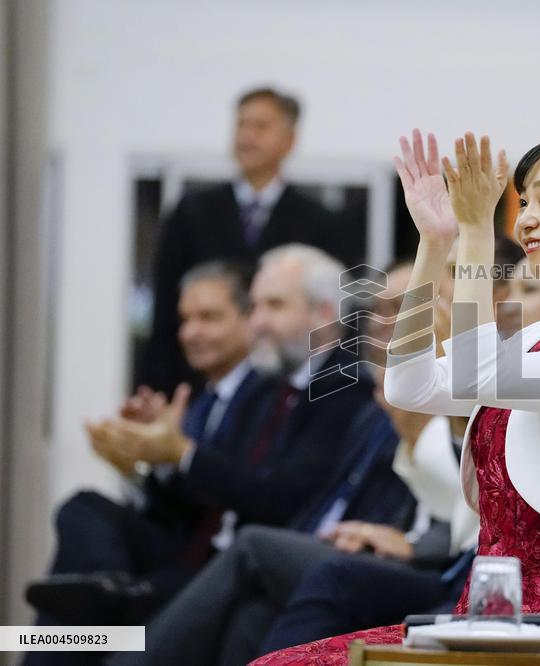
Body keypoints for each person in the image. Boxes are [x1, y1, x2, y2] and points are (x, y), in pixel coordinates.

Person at [253, 127, 540, 664]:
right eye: (525, 202)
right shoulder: (536, 341)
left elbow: (474, 374)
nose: (525, 219)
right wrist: (436, 240)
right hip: (489, 623)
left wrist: (476, 232)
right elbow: (410, 383)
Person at [29, 245, 374, 630]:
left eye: (273, 306)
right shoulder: (275, 386)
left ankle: (109, 603)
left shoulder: (342, 388)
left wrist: (180, 453)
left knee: (78, 626)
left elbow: (279, 496)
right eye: (255, 307)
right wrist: (151, 462)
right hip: (209, 553)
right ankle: (109, 594)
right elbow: (210, 495)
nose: (257, 322)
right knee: (81, 519)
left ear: (324, 313)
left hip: (253, 565)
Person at [25, 262, 260, 634]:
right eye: (185, 319)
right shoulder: (200, 401)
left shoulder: (267, 394)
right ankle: (111, 587)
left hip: (220, 560)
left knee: (74, 607)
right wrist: (142, 463)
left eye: (209, 317)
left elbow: (247, 489)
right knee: (80, 511)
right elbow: (178, 505)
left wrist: (176, 450)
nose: (191, 333)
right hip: (179, 552)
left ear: (250, 319)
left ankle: (109, 595)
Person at [145, 86, 353, 393]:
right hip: (200, 383)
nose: (247, 137)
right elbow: (165, 308)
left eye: (261, 126)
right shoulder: (192, 212)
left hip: (286, 381)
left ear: (289, 140)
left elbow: (336, 306)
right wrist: (158, 385)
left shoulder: (321, 220)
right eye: (241, 125)